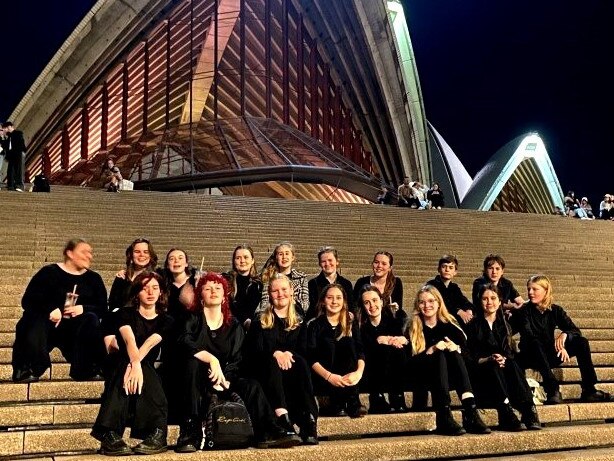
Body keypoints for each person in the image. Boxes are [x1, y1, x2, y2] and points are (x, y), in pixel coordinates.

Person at [176, 272, 301, 452]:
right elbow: (184, 342)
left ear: (225, 295)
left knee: (252, 385)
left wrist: (226, 379)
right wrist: (211, 360)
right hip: (197, 381)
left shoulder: (233, 325)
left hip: (225, 381)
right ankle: (190, 431)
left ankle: (268, 430)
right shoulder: (192, 319)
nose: (213, 291)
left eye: (218, 288)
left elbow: (238, 358)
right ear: (200, 295)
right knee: (192, 363)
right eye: (207, 288)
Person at [91, 272, 173, 456]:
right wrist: (133, 364)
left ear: (161, 292)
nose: (150, 292)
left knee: (145, 368)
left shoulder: (166, 320)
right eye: (144, 288)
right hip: (119, 361)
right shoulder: (124, 313)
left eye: (155, 288)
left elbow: (150, 343)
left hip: (143, 366)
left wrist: (135, 364)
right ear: (137, 293)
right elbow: (129, 341)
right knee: (129, 365)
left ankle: (108, 432)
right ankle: (158, 432)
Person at [12, 238, 108, 383]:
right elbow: (29, 300)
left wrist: (83, 308)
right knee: (32, 319)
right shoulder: (48, 273)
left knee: (91, 319)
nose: (89, 256)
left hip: (75, 331)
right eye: (84, 252)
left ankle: (87, 368)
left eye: (90, 252)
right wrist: (50, 310)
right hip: (48, 326)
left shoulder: (93, 279)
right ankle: (27, 368)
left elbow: (102, 308)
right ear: (70, 253)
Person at [516, 275, 613, 405]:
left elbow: (575, 330)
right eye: (529, 289)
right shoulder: (524, 311)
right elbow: (529, 336)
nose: (530, 293)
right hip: (530, 355)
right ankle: (552, 389)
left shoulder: (555, 310)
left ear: (546, 291)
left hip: (548, 354)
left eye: (535, 289)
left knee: (581, 342)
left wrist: (564, 335)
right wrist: (560, 347)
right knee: (535, 342)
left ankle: (589, 389)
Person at [245, 274, 318, 445]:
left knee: (300, 361)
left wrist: (288, 354)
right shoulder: (259, 321)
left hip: (292, 371)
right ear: (269, 294)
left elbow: (304, 350)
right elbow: (252, 352)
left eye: (284, 289)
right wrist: (275, 353)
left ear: (292, 292)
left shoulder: (300, 321)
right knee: (272, 361)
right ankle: (282, 417)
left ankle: (308, 421)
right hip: (266, 373)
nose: (280, 294)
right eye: (275, 290)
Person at [408, 285, 490, 436]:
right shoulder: (413, 327)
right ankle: (444, 413)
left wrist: (456, 349)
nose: (427, 305)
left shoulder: (451, 327)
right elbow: (408, 363)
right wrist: (430, 350)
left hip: (450, 378)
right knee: (438, 354)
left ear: (439, 303)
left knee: (454, 352)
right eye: (422, 302)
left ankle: (470, 410)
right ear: (418, 305)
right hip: (422, 377)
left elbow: (468, 358)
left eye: (431, 301)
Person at [466, 283, 541, 431]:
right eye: (485, 299)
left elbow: (509, 353)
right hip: (482, 376)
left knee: (512, 363)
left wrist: (503, 359)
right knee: (493, 364)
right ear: (479, 302)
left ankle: (528, 410)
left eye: (493, 298)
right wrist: (488, 359)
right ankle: (506, 411)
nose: (489, 302)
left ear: (500, 301)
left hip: (503, 373)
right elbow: (470, 357)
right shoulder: (472, 326)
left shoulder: (505, 325)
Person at [306, 283, 367, 418]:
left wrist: (358, 373)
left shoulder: (351, 323)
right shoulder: (315, 325)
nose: (334, 301)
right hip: (324, 376)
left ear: (344, 302)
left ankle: (353, 402)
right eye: (330, 298)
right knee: (331, 344)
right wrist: (330, 377)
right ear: (323, 301)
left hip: (350, 376)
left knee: (346, 342)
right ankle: (338, 403)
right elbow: (311, 357)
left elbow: (360, 350)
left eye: (339, 298)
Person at [359, 284, 410, 414]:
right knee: (380, 349)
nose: (372, 306)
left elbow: (403, 343)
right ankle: (377, 397)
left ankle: (397, 396)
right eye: (367, 302)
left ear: (381, 302)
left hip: (393, 370)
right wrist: (379, 342)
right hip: (372, 373)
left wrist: (397, 340)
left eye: (375, 300)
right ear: (363, 307)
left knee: (397, 349)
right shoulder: (361, 328)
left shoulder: (394, 322)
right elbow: (363, 352)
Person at [104, 238, 158, 353]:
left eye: (146, 251)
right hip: (121, 319)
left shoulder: (155, 277)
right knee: (108, 318)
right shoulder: (122, 277)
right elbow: (112, 302)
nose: (141, 255)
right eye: (137, 251)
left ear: (151, 255)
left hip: (143, 320)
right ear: (131, 255)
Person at [260, 242, 309, 315]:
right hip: (274, 316)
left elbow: (305, 305)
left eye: (287, 253)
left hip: (296, 316)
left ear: (292, 257)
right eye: (280, 254)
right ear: (276, 258)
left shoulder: (301, 277)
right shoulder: (269, 278)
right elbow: (264, 304)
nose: (284, 257)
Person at [427, 255, 474, 328]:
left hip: (452, 318)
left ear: (455, 272)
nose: (447, 270)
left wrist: (469, 309)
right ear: (439, 269)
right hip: (437, 319)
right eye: (444, 266)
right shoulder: (431, 285)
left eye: (451, 267)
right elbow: (441, 303)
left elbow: (463, 300)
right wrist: (459, 311)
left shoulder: (454, 287)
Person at [307, 246, 353, 320]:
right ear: (319, 264)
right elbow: (312, 308)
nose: (327, 264)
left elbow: (350, 307)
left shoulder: (346, 284)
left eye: (330, 260)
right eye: (323, 261)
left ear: (337, 261)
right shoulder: (313, 284)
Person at [224, 245, 263, 329]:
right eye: (238, 258)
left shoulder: (258, 283)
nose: (242, 261)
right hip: (230, 327)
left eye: (246, 257)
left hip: (251, 328)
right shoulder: (226, 280)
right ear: (234, 261)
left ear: (252, 260)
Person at [1, 121, 26, 192]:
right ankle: (11, 185)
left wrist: (7, 135)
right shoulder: (9, 137)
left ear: (9, 127)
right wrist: (4, 137)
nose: (4, 130)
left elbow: (18, 143)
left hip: (18, 153)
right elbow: (6, 145)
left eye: (4, 129)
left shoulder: (17, 133)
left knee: (18, 170)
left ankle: (19, 185)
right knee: (10, 170)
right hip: (12, 155)